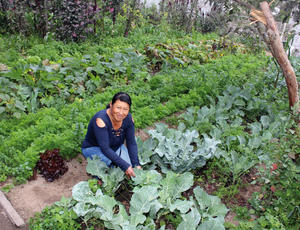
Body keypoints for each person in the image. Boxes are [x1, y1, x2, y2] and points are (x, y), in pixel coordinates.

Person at [82, 92, 141, 178]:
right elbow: (105, 148)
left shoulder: (128, 119)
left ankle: (113, 167)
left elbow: (131, 143)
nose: (121, 112)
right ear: (111, 105)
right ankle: (96, 176)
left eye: (125, 109)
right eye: (118, 108)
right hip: (94, 148)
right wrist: (125, 166)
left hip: (115, 148)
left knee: (130, 166)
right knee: (111, 165)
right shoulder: (101, 120)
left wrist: (136, 164)